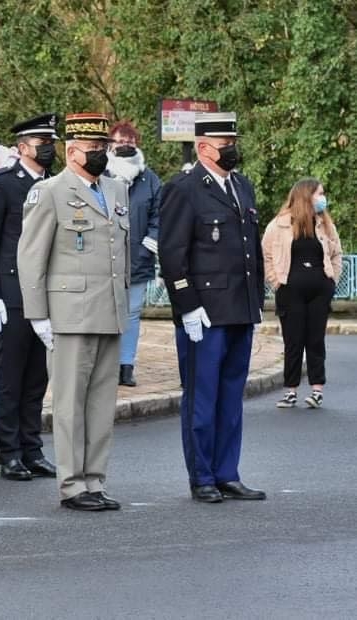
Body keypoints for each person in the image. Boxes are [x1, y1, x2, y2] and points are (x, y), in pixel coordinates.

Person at [18, 113, 129, 511]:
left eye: (103, 148)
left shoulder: (116, 190)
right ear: (71, 151)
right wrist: (38, 314)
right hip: (69, 311)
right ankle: (71, 485)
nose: (100, 155)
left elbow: (122, 254)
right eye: (93, 149)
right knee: (69, 404)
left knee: (101, 404)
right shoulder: (49, 192)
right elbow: (31, 256)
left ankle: (95, 480)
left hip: (109, 309)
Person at [159, 111, 266, 503]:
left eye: (233, 143)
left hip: (240, 307)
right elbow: (173, 254)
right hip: (204, 313)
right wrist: (187, 305)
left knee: (231, 399)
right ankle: (202, 476)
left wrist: (257, 300)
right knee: (201, 399)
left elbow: (249, 249)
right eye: (225, 145)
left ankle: (227, 472)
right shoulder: (184, 189)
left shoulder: (242, 185)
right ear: (204, 148)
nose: (232, 150)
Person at [0, 113, 59, 482]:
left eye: (51, 141)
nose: (48, 148)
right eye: (41, 142)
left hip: (48, 293)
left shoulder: (57, 185)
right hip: (11, 293)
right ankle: (9, 451)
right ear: (22, 147)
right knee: (10, 377)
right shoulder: (3, 185)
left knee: (37, 377)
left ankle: (32, 447)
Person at [262, 178, 342, 409]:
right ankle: (291, 391)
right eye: (319, 194)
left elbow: (336, 253)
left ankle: (317, 390)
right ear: (306, 196)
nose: (322, 198)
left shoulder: (325, 224)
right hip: (290, 291)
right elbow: (266, 254)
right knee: (293, 341)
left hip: (319, 290)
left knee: (316, 340)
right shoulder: (279, 224)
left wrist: (332, 280)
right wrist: (276, 282)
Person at [104, 121, 161, 387]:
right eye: (120, 142)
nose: (125, 146)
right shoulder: (101, 174)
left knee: (132, 314)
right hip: (104, 258)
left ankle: (126, 366)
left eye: (130, 142)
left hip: (139, 256)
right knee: (105, 312)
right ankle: (106, 365)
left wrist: (149, 243)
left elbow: (158, 216)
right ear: (110, 145)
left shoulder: (149, 179)